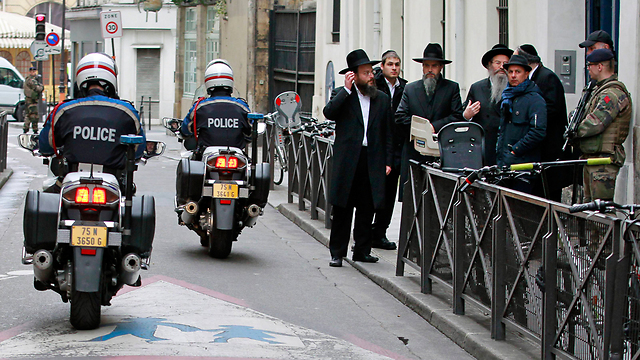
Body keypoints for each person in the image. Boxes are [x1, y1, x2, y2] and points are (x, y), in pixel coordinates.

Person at [323, 49, 393, 267]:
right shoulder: (342, 95)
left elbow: (389, 133)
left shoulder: (381, 99)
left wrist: (388, 161)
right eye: (365, 73)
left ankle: (362, 250)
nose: (370, 76)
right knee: (343, 208)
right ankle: (337, 253)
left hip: (371, 158)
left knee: (367, 206)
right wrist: (345, 89)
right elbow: (329, 113)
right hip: (348, 160)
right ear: (353, 75)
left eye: (371, 72)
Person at [39, 53, 145, 182]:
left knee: (52, 193)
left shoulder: (63, 110)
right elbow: (138, 150)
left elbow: (46, 145)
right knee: (128, 195)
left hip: (72, 179)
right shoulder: (127, 111)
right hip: (113, 180)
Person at [395, 43, 463, 199]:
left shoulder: (451, 88)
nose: (430, 70)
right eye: (426, 66)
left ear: (441, 67)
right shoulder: (410, 89)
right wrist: (422, 129)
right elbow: (400, 116)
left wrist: (434, 126)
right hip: (414, 152)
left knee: (439, 201)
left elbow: (456, 115)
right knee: (412, 200)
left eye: (434, 66)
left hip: (440, 154)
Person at [574, 49, 631, 202]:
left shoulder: (612, 93)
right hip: (592, 158)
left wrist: (575, 131)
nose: (588, 69)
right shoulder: (596, 90)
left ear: (600, 66)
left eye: (590, 65)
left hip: (604, 161)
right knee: (589, 208)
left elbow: (596, 123)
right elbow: (581, 115)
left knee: (601, 212)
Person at [514, 44, 569, 201]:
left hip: (549, 152)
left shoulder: (547, 77)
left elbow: (551, 109)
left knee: (549, 198)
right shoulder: (530, 80)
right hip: (536, 153)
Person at [370, 50, 407, 251]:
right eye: (390, 64)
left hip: (397, 146)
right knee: (373, 191)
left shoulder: (405, 87)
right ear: (382, 66)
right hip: (377, 144)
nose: (394, 68)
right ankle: (367, 230)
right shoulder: (374, 85)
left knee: (390, 192)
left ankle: (380, 232)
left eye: (397, 64)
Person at [495, 54, 547, 194]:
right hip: (505, 165)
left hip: (523, 168)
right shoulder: (508, 96)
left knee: (519, 208)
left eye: (517, 72)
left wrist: (515, 150)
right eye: (510, 72)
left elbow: (538, 132)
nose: (513, 76)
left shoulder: (535, 99)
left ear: (527, 73)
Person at [180, 59, 252, 156]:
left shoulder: (200, 107)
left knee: (188, 166)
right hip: (236, 155)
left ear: (208, 83)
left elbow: (186, 129)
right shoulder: (242, 107)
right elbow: (251, 132)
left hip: (208, 156)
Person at [463, 44, 512, 166]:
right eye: (497, 63)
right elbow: (463, 113)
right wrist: (467, 114)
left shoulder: (514, 88)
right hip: (484, 148)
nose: (501, 67)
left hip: (507, 147)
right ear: (489, 65)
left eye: (505, 63)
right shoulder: (477, 88)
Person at [23, 66, 43, 134]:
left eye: (34, 71)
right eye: (32, 71)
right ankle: (35, 129)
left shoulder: (29, 79)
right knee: (34, 115)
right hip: (31, 100)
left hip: (30, 100)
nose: (33, 73)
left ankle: (26, 128)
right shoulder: (31, 80)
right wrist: (41, 86)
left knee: (28, 115)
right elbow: (38, 88)